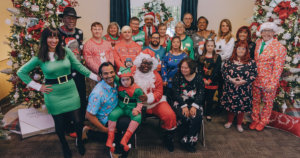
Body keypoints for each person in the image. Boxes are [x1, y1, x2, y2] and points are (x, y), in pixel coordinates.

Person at [17, 28, 99, 158]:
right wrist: (38, 87)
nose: (54, 40)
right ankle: (64, 145)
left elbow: (79, 67)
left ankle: (79, 140)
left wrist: (97, 77)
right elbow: (21, 72)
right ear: (45, 39)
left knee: (78, 121)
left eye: (56, 37)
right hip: (53, 93)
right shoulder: (40, 56)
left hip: (70, 90)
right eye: (50, 37)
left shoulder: (66, 51)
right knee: (59, 124)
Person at [85, 62, 131, 157]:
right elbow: (89, 115)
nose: (109, 75)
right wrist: (105, 129)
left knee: (131, 121)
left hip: (117, 112)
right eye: (105, 73)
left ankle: (90, 133)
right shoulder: (97, 93)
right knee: (125, 124)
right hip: (106, 119)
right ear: (100, 75)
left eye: (111, 72)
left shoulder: (116, 82)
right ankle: (117, 151)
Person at [133, 52, 177, 152]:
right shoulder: (132, 73)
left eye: (149, 63)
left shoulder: (156, 75)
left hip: (155, 103)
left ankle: (168, 137)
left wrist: (147, 98)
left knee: (169, 115)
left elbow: (159, 92)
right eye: (144, 63)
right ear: (139, 62)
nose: (146, 66)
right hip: (135, 104)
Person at [250, 22, 286, 131]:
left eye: (269, 31)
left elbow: (278, 68)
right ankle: (255, 119)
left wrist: (273, 83)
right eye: (264, 31)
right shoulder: (258, 42)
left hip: (269, 81)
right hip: (256, 79)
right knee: (255, 101)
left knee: (267, 103)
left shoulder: (279, 47)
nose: (266, 33)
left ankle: (263, 121)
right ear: (261, 33)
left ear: (274, 33)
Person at [221, 41, 257, 132]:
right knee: (230, 106)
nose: (240, 50)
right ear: (235, 49)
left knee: (241, 108)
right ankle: (229, 121)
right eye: (239, 48)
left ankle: (239, 124)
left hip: (244, 89)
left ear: (246, 50)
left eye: (243, 48)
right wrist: (231, 80)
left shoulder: (251, 62)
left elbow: (254, 74)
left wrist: (243, 81)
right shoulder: (229, 61)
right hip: (230, 87)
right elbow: (224, 72)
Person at [58, 7, 87, 121]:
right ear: (63, 19)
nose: (71, 21)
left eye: (73, 19)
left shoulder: (79, 32)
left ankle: (80, 123)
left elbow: (80, 50)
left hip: (78, 70)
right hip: (64, 71)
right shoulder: (57, 32)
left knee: (80, 96)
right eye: (68, 18)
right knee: (67, 98)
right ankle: (68, 125)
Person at [106, 67, 143, 152]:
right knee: (112, 115)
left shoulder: (137, 89)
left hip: (131, 109)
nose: (125, 82)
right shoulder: (119, 85)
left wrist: (137, 109)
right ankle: (110, 139)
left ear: (131, 79)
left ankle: (125, 140)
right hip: (121, 107)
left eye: (127, 79)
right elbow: (114, 75)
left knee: (137, 117)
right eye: (123, 80)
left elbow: (140, 102)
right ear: (120, 80)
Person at [172, 58, 204, 152]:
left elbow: (201, 93)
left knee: (196, 117)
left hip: (195, 103)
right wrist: (184, 106)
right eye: (182, 67)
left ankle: (190, 141)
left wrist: (194, 106)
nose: (183, 70)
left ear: (192, 68)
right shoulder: (178, 76)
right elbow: (175, 93)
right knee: (184, 116)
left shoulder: (198, 77)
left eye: (186, 68)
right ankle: (182, 139)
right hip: (180, 102)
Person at [83, 22, 114, 94]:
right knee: (95, 95)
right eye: (95, 29)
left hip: (108, 74)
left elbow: (111, 56)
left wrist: (109, 70)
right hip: (95, 76)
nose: (97, 31)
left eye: (99, 29)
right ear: (91, 30)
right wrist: (101, 72)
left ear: (102, 30)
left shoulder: (107, 43)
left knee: (108, 95)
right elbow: (89, 61)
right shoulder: (88, 44)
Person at [198, 39, 221, 121]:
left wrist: (210, 80)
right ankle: (201, 112)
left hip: (213, 82)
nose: (210, 47)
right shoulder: (201, 57)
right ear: (205, 47)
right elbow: (200, 70)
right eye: (208, 45)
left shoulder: (217, 57)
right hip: (203, 81)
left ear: (214, 46)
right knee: (202, 98)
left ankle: (208, 113)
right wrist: (204, 79)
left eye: (212, 46)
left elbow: (217, 70)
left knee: (210, 99)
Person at [161, 36, 188, 103]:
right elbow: (163, 67)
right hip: (169, 83)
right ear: (171, 43)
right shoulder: (167, 55)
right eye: (174, 42)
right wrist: (164, 79)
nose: (176, 44)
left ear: (180, 44)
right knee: (169, 101)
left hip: (181, 82)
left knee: (180, 101)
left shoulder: (184, 55)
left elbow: (188, 68)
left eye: (177, 42)